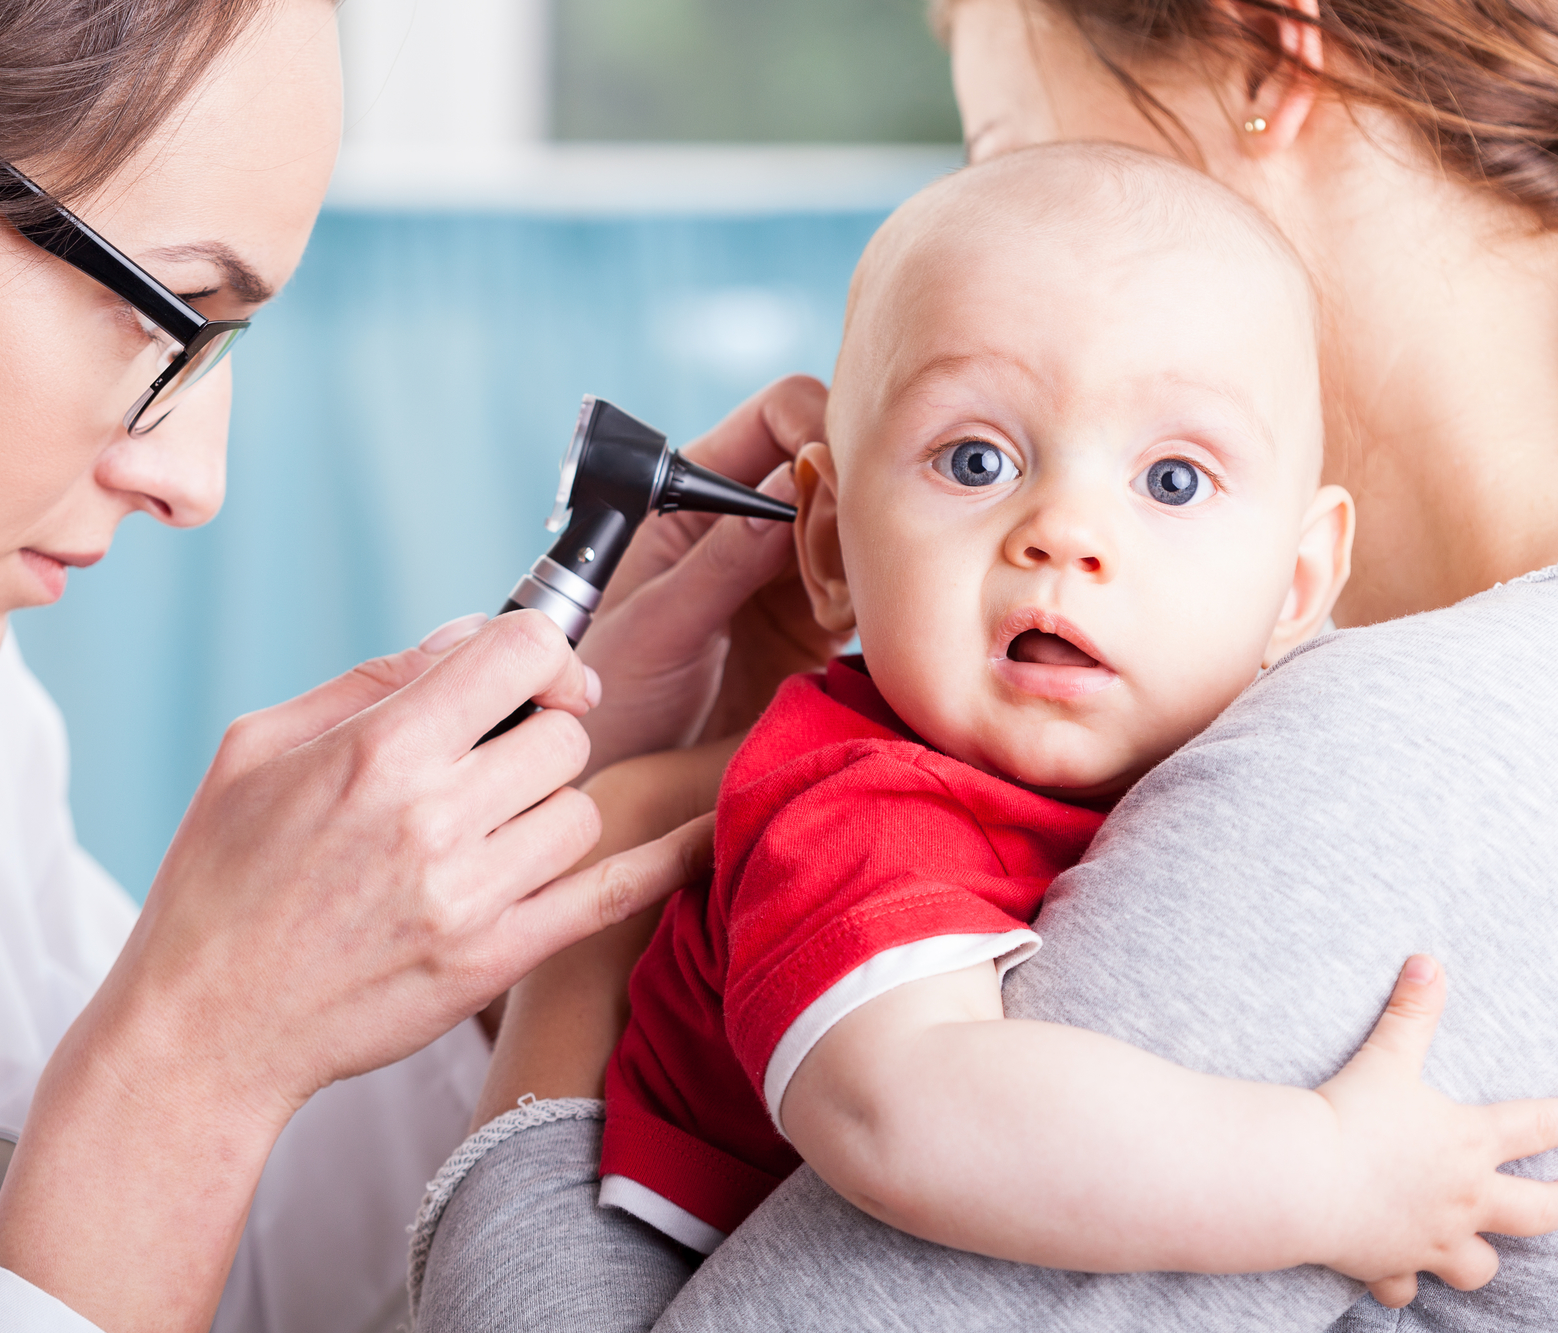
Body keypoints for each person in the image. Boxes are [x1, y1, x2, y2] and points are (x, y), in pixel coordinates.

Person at [0, 1, 830, 1330]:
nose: (193, 480)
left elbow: (214, 1269)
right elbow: (144, 1150)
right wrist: (190, 1064)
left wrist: (517, 841)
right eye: (174, 319)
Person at [407, 0, 1558, 1326]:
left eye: (1002, 142)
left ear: (1265, 54)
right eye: (976, 457)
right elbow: (911, 1103)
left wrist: (597, 917)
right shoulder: (882, 800)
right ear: (831, 534)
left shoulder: (1380, 759)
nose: (1064, 534)